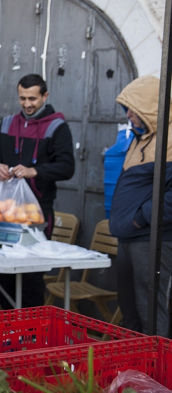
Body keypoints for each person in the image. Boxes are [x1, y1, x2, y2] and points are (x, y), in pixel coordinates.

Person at [0, 73, 75, 309]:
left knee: (32, 278)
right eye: (22, 98)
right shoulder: (7, 123)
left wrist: (36, 171)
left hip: (38, 213)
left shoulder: (57, 127)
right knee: (4, 275)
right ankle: (8, 331)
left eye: (32, 98)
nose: (27, 104)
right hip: (6, 212)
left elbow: (67, 167)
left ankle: (32, 337)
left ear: (45, 96)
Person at [109, 75, 172, 337]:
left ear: (151, 107)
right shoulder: (142, 138)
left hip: (151, 240)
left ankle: (156, 375)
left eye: (135, 109)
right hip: (128, 239)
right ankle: (134, 371)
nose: (130, 115)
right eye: (127, 109)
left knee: (152, 314)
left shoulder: (168, 140)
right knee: (130, 310)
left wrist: (140, 218)